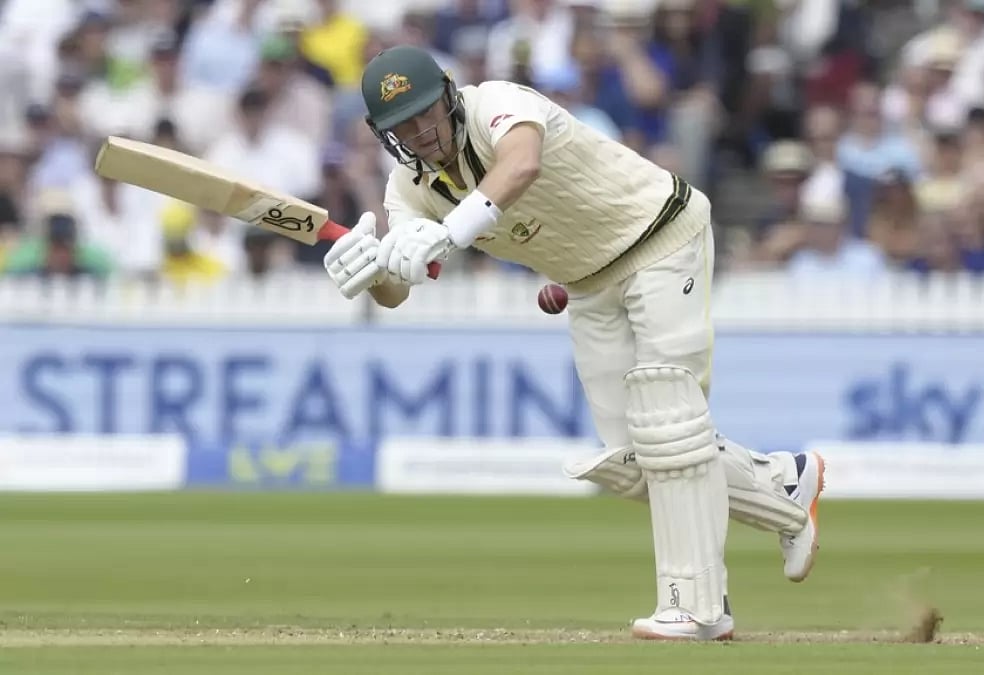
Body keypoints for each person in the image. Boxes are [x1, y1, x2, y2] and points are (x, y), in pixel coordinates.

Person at [322, 46, 825, 641]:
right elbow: (398, 291)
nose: (420, 131)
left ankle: (697, 607)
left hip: (662, 238)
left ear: (450, 94)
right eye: (401, 125)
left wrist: (449, 232)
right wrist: (367, 270)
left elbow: (522, 165)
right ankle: (780, 486)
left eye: (425, 112)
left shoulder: (498, 105)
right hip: (588, 284)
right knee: (632, 461)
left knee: (669, 419)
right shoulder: (409, 190)